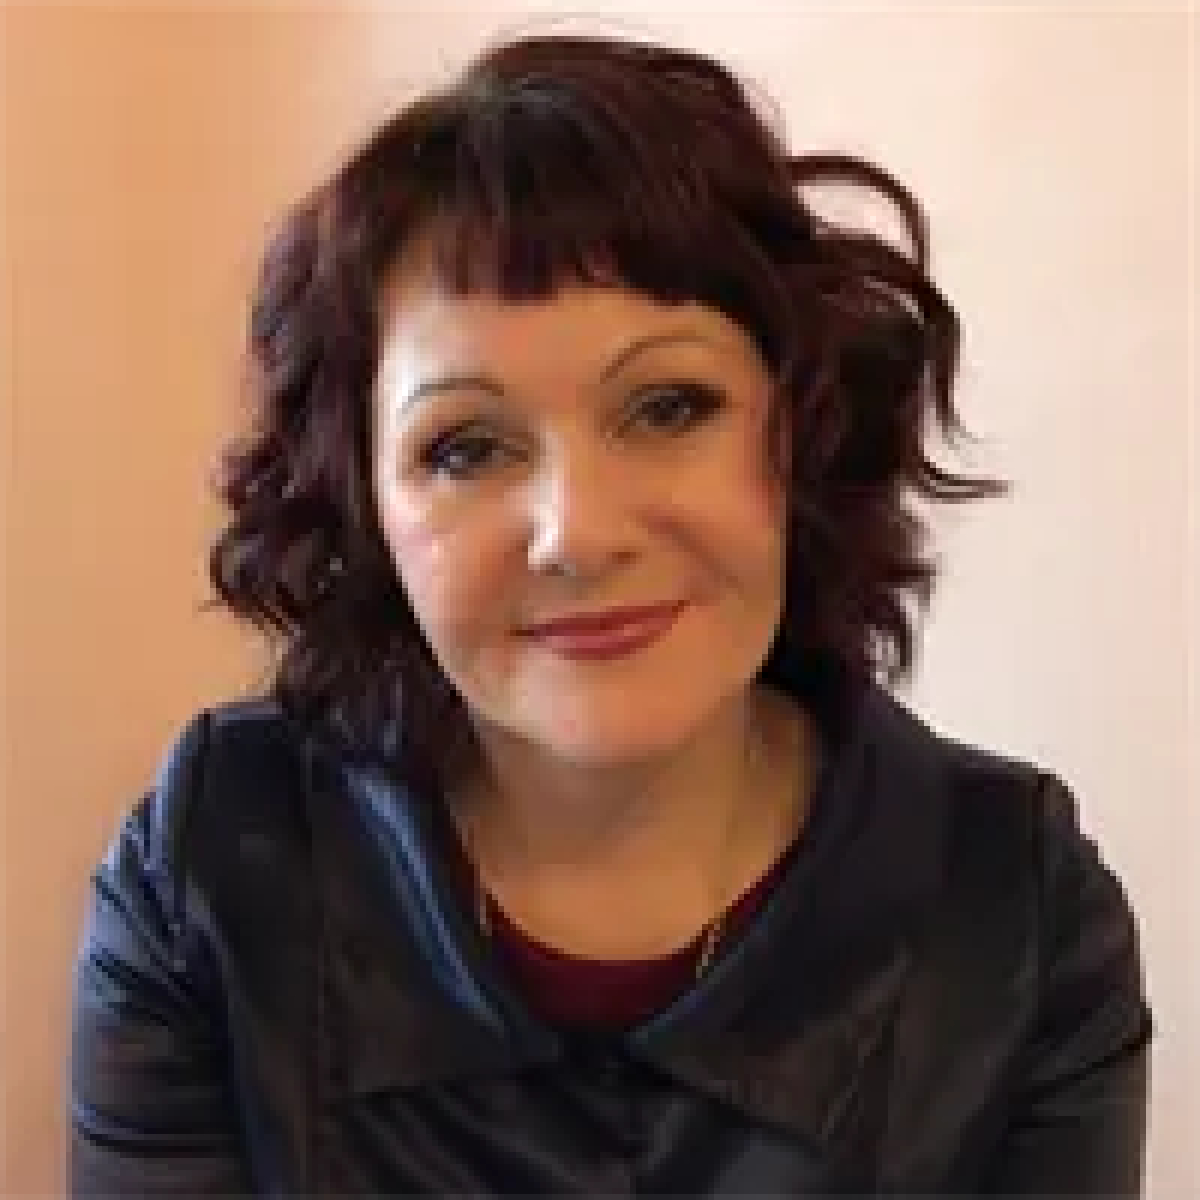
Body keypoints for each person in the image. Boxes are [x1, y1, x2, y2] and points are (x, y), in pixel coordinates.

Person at [69, 32, 1152, 1196]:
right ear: (363, 509)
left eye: (669, 407)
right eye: (467, 447)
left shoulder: (1015, 915)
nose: (577, 534)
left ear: (807, 430)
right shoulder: (212, 871)